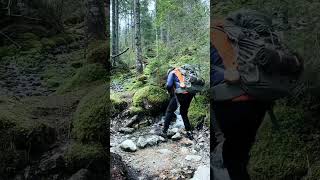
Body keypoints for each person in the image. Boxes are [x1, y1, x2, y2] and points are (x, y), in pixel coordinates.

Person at [159, 66, 195, 140]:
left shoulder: (172, 73)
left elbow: (169, 85)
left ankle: (164, 132)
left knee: (169, 111)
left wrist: (170, 93)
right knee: (184, 112)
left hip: (180, 94)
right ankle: (189, 132)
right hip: (190, 94)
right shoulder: (185, 73)